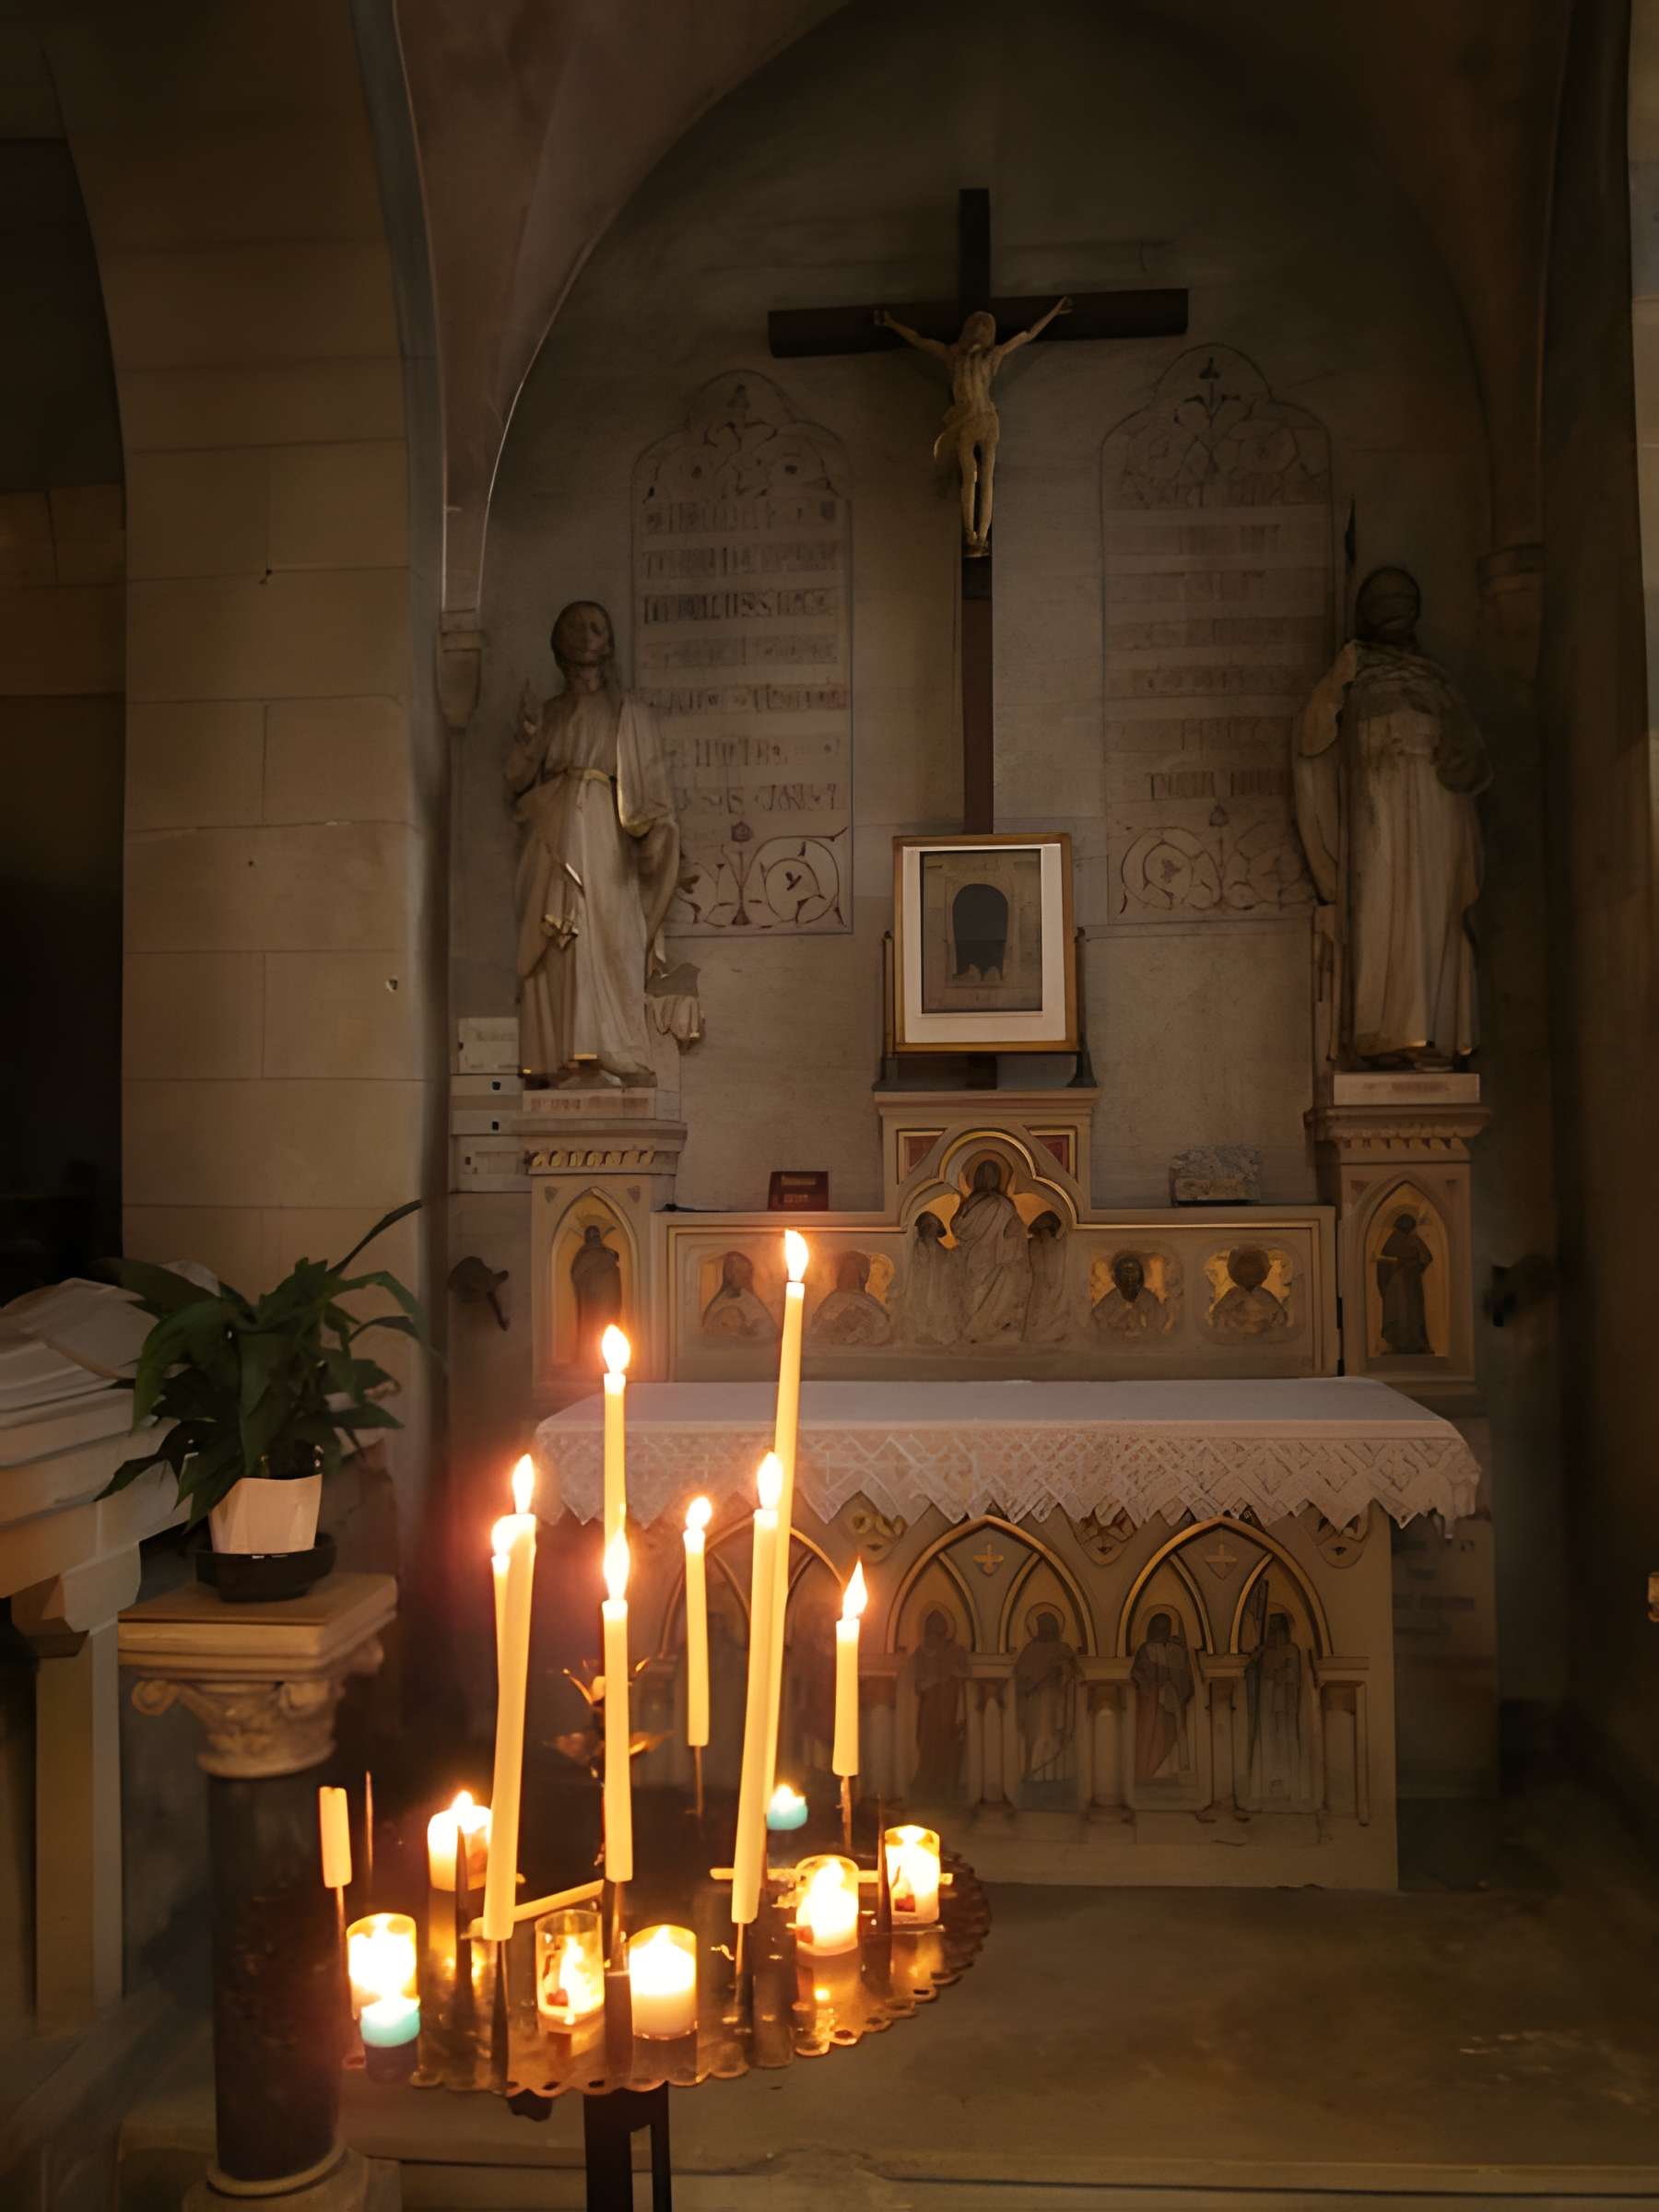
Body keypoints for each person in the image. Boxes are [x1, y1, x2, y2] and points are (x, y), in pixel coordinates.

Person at [1295, 567, 1490, 1065]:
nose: (1393, 609)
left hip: (1436, 805)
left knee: (1434, 909)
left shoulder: (1436, 677)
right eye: (1383, 601)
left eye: (1401, 600)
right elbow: (1313, 739)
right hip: (1377, 804)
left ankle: (1434, 1035)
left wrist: (1451, 750)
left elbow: (1471, 751)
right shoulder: (1353, 666)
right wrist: (1341, 682)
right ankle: (1383, 1036)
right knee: (1381, 909)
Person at [507, 599, 681, 1084]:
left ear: (608, 644)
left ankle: (613, 1045)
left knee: (613, 934)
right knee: (563, 938)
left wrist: (656, 838)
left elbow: (652, 794)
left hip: (607, 835)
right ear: (558, 644)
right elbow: (517, 779)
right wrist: (525, 739)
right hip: (553, 832)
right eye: (574, 627)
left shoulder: (629, 714)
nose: (585, 635)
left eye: (596, 627)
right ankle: (565, 1052)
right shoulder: (550, 713)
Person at [875, 298, 1072, 553]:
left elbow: (1027, 335)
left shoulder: (993, 355)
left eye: (985, 326)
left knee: (986, 478)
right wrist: (891, 323)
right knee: (970, 477)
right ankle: (971, 534)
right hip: (964, 419)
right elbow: (919, 340)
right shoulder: (952, 355)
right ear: (968, 330)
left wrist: (1055, 311)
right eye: (976, 325)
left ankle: (982, 535)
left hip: (987, 418)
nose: (980, 330)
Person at [952, 1158, 1031, 1342]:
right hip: (997, 1259)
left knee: (974, 1293)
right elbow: (1016, 1232)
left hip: (974, 1258)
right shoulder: (1005, 1204)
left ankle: (973, 1334)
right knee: (994, 1296)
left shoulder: (972, 1203)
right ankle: (984, 1332)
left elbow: (958, 1228)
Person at [1130, 1610, 1195, 1784]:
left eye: (1164, 1628)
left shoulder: (1176, 1650)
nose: (1161, 1631)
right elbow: (1138, 1673)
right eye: (1157, 1628)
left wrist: (1171, 1675)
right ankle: (1146, 1773)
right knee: (1151, 1737)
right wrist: (1154, 1677)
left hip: (1172, 1700)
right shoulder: (1146, 1648)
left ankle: (1168, 1774)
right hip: (1151, 1702)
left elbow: (1185, 1677)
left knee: (1171, 1734)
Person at [909, 1608, 969, 1796]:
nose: (936, 1626)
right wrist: (934, 1679)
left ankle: (947, 1785)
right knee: (927, 1744)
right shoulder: (921, 1652)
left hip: (950, 1706)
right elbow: (918, 1683)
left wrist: (949, 1673)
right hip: (929, 1707)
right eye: (932, 1622)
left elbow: (965, 1672)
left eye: (940, 1622)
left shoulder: (955, 1650)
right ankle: (927, 1783)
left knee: (949, 1743)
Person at [898, 1210, 965, 1347]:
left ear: (937, 1230)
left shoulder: (943, 1252)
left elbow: (950, 1266)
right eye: (925, 1226)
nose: (928, 1230)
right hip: (920, 1291)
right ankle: (921, 1333)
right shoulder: (916, 1248)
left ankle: (936, 1334)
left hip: (938, 1292)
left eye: (931, 1226)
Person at [1376, 1210, 1434, 1355]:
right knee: (1400, 1310)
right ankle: (1400, 1343)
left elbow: (1427, 1258)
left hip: (1412, 1281)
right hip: (1399, 1280)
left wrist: (1416, 1261)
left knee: (1413, 1312)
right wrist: (1406, 1259)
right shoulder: (1394, 1239)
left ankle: (1414, 1342)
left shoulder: (1415, 1240)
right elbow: (1384, 1256)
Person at [808, 1249, 893, 1347]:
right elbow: (820, 1328)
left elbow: (882, 1328)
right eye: (845, 1271)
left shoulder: (870, 1303)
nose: (847, 1276)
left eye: (852, 1271)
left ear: (863, 1276)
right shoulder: (832, 1300)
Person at [1210, 1245, 1288, 1337]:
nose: (1249, 1275)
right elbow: (1218, 1315)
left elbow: (1280, 1318)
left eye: (1253, 1271)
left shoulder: (1263, 1295)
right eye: (1245, 1271)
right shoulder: (1235, 1294)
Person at [700, 1249, 776, 1340]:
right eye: (739, 1272)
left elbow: (769, 1328)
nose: (744, 1277)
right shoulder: (719, 1303)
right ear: (729, 1274)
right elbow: (711, 1332)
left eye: (746, 1273)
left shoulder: (750, 1299)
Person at [1091, 1250, 1166, 1338]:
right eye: (1126, 1271)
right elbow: (1097, 1321)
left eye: (1134, 1271)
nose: (1130, 1276)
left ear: (1141, 1275)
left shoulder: (1149, 1299)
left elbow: (1159, 1322)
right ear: (1117, 1276)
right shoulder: (1111, 1299)